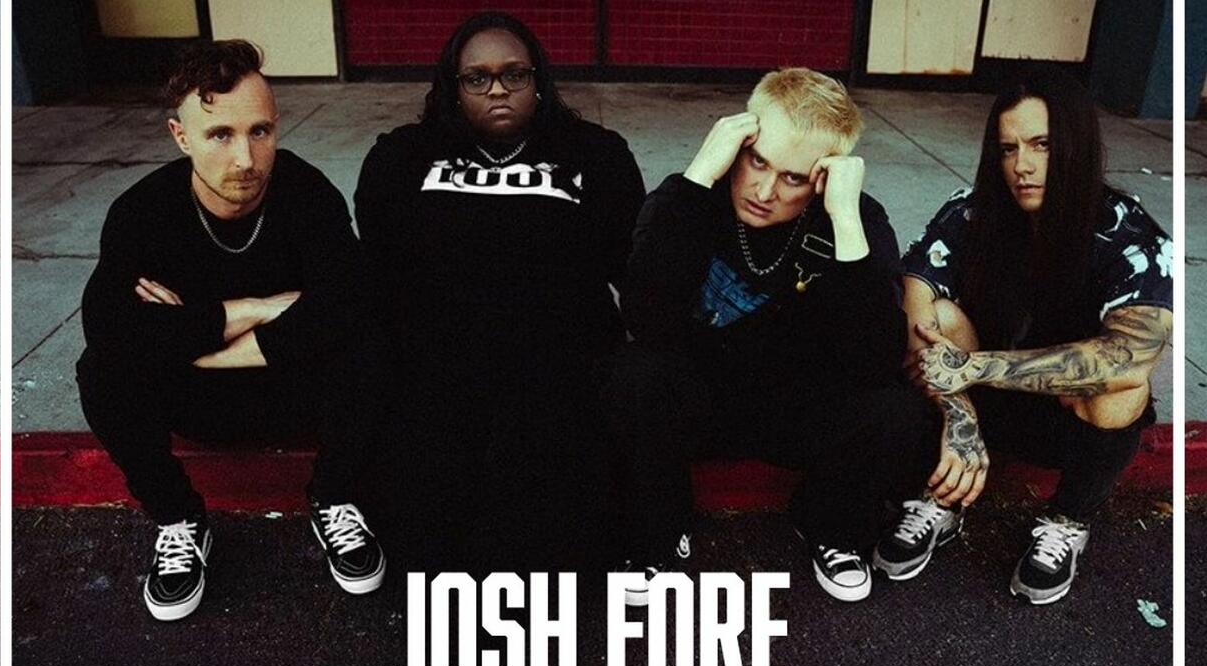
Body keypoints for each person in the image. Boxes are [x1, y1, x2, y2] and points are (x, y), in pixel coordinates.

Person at [606, 67, 940, 604]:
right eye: (757, 161)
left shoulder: (856, 218)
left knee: (894, 410)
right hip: (701, 402)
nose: (765, 191)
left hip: (796, 411)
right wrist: (698, 174)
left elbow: (876, 360)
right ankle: (659, 534)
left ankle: (830, 527)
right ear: (737, 142)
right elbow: (644, 318)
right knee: (634, 373)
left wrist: (845, 220)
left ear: (825, 177)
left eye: (793, 179)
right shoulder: (693, 197)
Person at [76, 40, 384, 621]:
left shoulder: (306, 192)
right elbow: (110, 328)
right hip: (195, 402)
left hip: (292, 392)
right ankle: (179, 518)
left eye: (260, 131)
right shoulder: (143, 213)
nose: (245, 157)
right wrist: (251, 309)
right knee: (101, 372)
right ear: (180, 136)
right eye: (220, 134)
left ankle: (334, 497)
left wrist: (195, 340)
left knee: (371, 344)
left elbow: (350, 302)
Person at [353, 12, 645, 575]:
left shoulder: (596, 154)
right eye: (477, 78)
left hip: (559, 356)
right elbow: (384, 270)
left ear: (539, 81)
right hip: (443, 358)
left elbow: (627, 266)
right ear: (453, 87)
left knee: (557, 523)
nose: (497, 90)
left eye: (515, 75)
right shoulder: (402, 157)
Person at [876, 69, 1173, 605]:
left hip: (1067, 422)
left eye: (1041, 145)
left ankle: (1067, 520)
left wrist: (976, 367)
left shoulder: (1130, 235)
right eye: (1008, 149)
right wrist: (960, 416)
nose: (1023, 166)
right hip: (977, 407)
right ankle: (945, 495)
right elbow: (915, 305)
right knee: (937, 315)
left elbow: (1130, 356)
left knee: (1124, 388)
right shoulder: (971, 211)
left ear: (1077, 146)